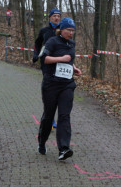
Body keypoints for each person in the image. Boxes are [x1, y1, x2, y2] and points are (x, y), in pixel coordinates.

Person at [37, 18, 81, 161]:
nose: (71, 33)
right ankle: (42, 141)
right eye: (68, 30)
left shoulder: (71, 44)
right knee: (49, 117)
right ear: (61, 30)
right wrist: (61, 59)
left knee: (64, 116)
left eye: (73, 30)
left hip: (66, 85)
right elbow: (44, 59)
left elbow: (69, 59)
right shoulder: (52, 41)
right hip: (51, 84)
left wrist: (74, 68)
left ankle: (64, 149)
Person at [33, 8, 62, 129]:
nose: (56, 18)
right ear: (50, 17)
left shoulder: (63, 31)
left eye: (58, 16)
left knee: (58, 91)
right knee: (49, 91)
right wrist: (35, 54)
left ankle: (55, 117)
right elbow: (37, 43)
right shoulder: (44, 31)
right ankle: (50, 118)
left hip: (59, 64)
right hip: (46, 63)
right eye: (54, 16)